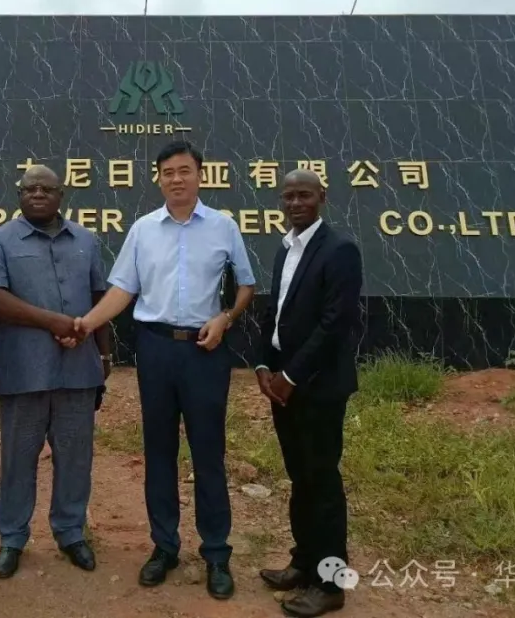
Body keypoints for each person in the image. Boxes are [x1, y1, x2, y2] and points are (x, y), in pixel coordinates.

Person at [74, 141, 255, 600]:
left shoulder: (224, 227)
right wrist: (86, 324)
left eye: (184, 170)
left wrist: (226, 318)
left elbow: (246, 286)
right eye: (168, 172)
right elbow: (122, 290)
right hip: (155, 350)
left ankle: (216, 553)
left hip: (205, 351)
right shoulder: (143, 230)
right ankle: (164, 546)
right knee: (158, 450)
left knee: (208, 452)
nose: (176, 179)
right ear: (158, 179)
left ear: (200, 174)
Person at [0, 165, 113, 579]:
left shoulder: (87, 241)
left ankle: (71, 532)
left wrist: (105, 355)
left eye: (47, 188)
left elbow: (100, 298)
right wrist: (53, 321)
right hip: (23, 369)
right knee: (18, 458)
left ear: (61, 195)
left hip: (79, 369)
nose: (37, 194)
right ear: (19, 194)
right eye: (29, 188)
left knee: (75, 457)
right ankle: (12, 537)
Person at [254, 169, 363, 618]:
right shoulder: (287, 248)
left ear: (322, 197)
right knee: (300, 477)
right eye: (288, 197)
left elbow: (335, 324)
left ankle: (331, 584)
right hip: (284, 384)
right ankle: (303, 563)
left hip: (318, 387)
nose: (295, 203)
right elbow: (276, 311)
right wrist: (264, 364)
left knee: (322, 482)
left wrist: (292, 375)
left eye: (304, 195)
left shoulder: (339, 250)